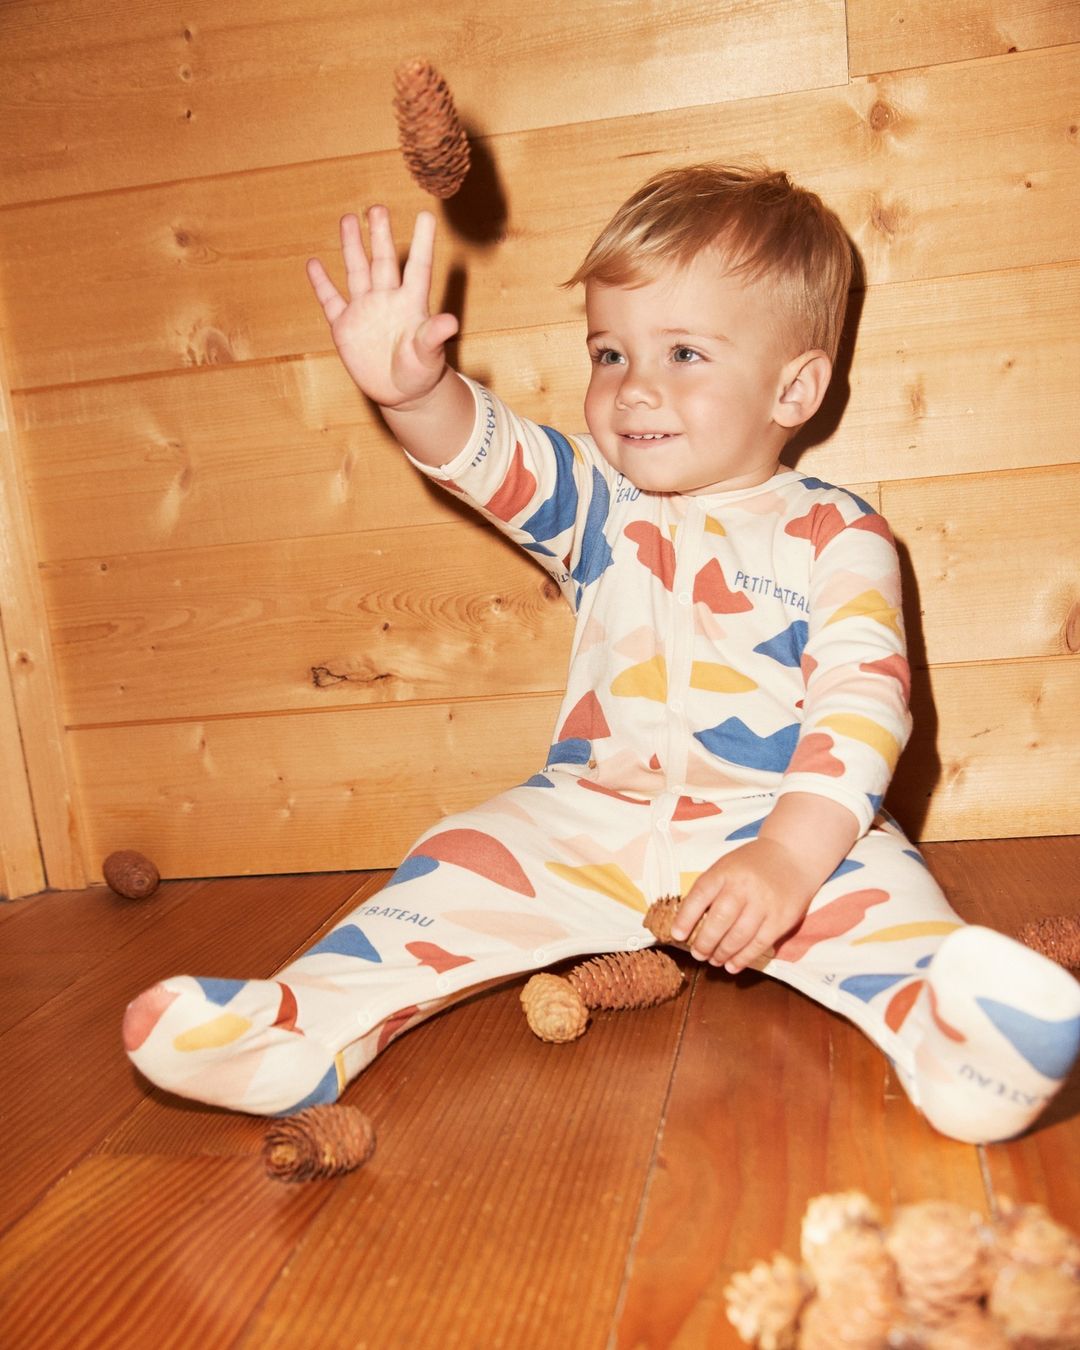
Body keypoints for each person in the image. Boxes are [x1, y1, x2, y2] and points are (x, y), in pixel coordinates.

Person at [123, 165, 1079, 1142]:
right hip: (585, 819)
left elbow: (862, 703)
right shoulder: (600, 502)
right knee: (452, 859)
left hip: (783, 823)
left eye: (684, 353)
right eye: (609, 353)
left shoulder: (838, 534)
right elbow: (490, 457)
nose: (634, 389)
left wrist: (790, 857)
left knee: (887, 898)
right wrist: (414, 392)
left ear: (794, 386)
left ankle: (958, 1047)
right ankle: (297, 1031)